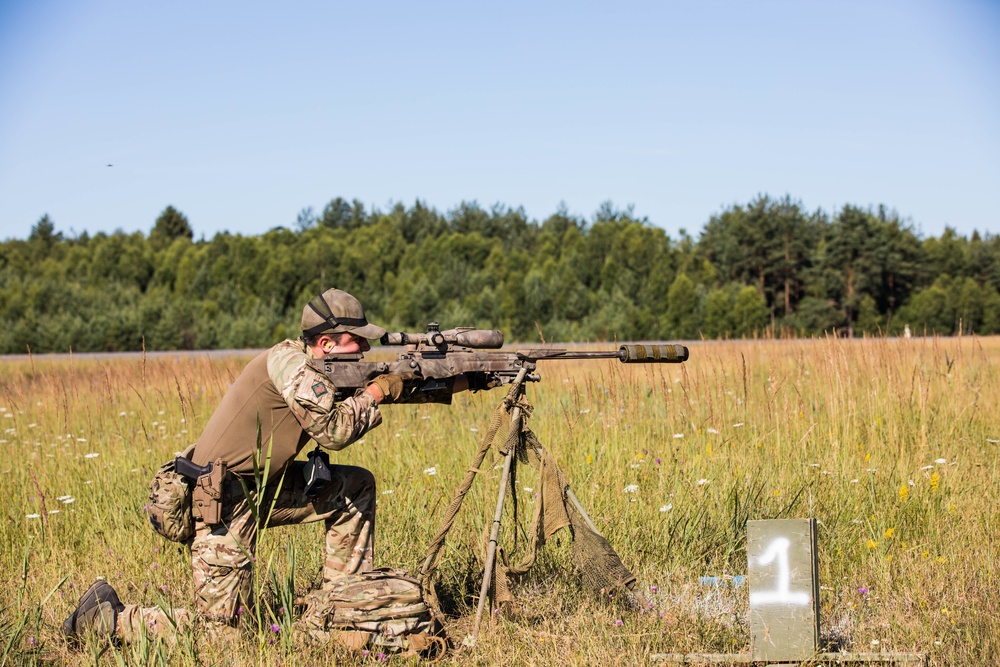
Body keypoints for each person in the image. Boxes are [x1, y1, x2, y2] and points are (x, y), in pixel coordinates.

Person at [61, 288, 473, 642]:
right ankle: (107, 618)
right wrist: (378, 392)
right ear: (326, 344)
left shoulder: (317, 368)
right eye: (357, 342)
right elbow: (334, 430)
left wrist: (464, 379)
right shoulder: (291, 365)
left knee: (354, 487)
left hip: (262, 489)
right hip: (220, 501)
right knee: (222, 635)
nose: (366, 350)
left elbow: (387, 387)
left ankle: (343, 611)